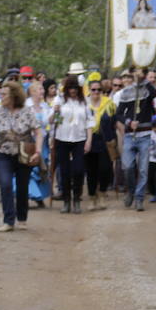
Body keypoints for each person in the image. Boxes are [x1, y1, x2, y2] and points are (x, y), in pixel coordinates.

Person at [0, 80, 43, 232]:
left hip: (23, 153)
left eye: (4, 94)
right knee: (5, 184)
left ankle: (22, 218)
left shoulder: (27, 111)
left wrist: (37, 151)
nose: (1, 96)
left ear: (13, 95)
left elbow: (38, 132)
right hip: (3, 153)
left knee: (22, 187)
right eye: (0, 94)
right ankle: (8, 221)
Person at [116, 66, 156, 211]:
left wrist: (144, 80)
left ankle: (139, 198)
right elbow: (119, 113)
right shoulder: (125, 92)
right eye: (135, 71)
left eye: (140, 71)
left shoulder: (148, 89)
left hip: (145, 135)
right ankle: (131, 191)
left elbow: (155, 92)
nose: (137, 74)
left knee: (143, 169)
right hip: (130, 135)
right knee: (127, 166)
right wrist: (128, 122)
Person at [52, 76, 93, 214]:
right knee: (64, 171)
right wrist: (55, 112)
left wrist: (89, 140)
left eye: (75, 88)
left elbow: (89, 122)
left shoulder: (85, 102)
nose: (73, 91)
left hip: (79, 139)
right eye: (70, 88)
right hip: (62, 138)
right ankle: (66, 201)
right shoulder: (60, 100)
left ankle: (77, 198)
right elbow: (53, 121)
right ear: (66, 89)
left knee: (78, 170)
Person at [85, 80, 115, 211]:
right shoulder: (84, 105)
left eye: (99, 90)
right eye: (93, 89)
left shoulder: (109, 104)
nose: (96, 92)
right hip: (89, 140)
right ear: (89, 90)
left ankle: (102, 194)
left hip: (105, 140)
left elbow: (116, 120)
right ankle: (92, 197)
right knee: (91, 171)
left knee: (104, 169)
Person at [25, 81, 53, 206]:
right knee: (30, 168)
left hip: (43, 141)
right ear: (32, 92)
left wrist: (55, 113)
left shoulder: (45, 106)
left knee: (42, 167)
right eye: (39, 89)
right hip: (30, 141)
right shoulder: (26, 106)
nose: (42, 91)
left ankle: (40, 196)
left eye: (42, 89)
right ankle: (29, 195)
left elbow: (48, 123)